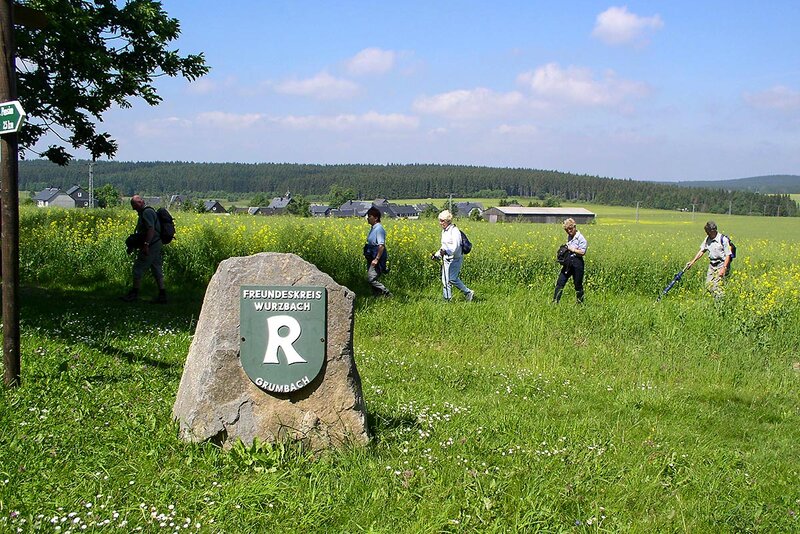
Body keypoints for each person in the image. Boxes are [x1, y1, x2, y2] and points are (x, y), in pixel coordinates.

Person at [120, 195, 167, 303]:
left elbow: (151, 229)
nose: (133, 208)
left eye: (134, 205)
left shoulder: (146, 213)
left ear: (140, 203)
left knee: (138, 268)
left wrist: (146, 245)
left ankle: (134, 294)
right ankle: (162, 295)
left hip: (151, 245)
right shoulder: (147, 212)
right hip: (155, 243)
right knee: (156, 268)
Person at [431, 210, 474, 302]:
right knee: (445, 281)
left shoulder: (454, 231)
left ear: (448, 221)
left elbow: (455, 247)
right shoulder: (444, 231)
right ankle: (447, 299)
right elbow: (443, 246)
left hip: (455, 259)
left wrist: (446, 252)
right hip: (446, 259)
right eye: (440, 220)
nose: (440, 223)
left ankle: (468, 292)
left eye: (442, 221)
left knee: (452, 279)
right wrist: (436, 255)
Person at [684, 220, 733, 298]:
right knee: (708, 285)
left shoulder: (723, 239)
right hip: (712, 265)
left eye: (708, 232)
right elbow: (702, 251)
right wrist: (692, 262)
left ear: (713, 231)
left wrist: (724, 268)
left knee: (717, 286)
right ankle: (714, 300)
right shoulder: (707, 239)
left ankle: (720, 302)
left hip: (721, 264)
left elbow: (728, 255)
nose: (707, 233)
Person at [553, 218, 587, 303]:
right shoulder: (570, 236)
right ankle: (555, 302)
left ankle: (580, 303)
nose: (569, 231)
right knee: (560, 282)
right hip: (568, 263)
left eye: (570, 229)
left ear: (574, 227)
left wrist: (573, 249)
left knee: (578, 285)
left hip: (577, 263)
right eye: (566, 230)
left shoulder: (581, 238)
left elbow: (582, 252)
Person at [363, 206, 391, 297]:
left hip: (376, 257)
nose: (368, 218)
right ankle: (376, 295)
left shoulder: (379, 229)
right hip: (371, 256)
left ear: (376, 218)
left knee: (371, 278)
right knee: (371, 277)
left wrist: (376, 259)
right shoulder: (373, 228)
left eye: (369, 216)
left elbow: (381, 246)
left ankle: (387, 293)